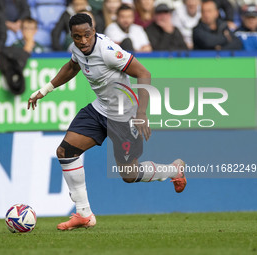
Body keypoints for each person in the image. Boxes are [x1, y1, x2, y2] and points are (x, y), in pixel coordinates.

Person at [27, 13, 187, 231]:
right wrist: (45, 90)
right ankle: (84, 214)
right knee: (66, 151)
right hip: (99, 110)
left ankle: (174, 170)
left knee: (129, 175)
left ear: (94, 31)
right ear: (72, 36)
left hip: (125, 116)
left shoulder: (108, 51)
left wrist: (141, 113)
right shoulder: (77, 48)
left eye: (87, 35)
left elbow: (144, 73)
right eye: (77, 37)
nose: (83, 41)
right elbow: (72, 67)